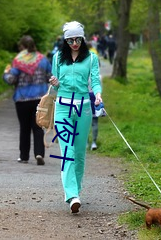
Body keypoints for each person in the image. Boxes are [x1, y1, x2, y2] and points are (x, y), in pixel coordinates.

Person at [49, 21, 102, 213]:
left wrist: (97, 94)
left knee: (79, 154)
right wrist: (54, 82)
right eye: (70, 40)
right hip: (62, 107)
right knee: (68, 152)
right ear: (65, 40)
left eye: (78, 39)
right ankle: (71, 195)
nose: (74, 43)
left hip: (84, 109)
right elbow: (55, 86)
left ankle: (76, 191)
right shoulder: (57, 58)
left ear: (83, 38)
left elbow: (95, 80)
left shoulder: (91, 58)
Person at [3, 35, 52, 165]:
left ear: (22, 47)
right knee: (38, 127)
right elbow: (50, 77)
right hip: (39, 99)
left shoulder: (18, 61)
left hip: (22, 99)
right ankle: (39, 153)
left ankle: (24, 156)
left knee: (24, 128)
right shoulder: (43, 60)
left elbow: (11, 80)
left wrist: (6, 73)